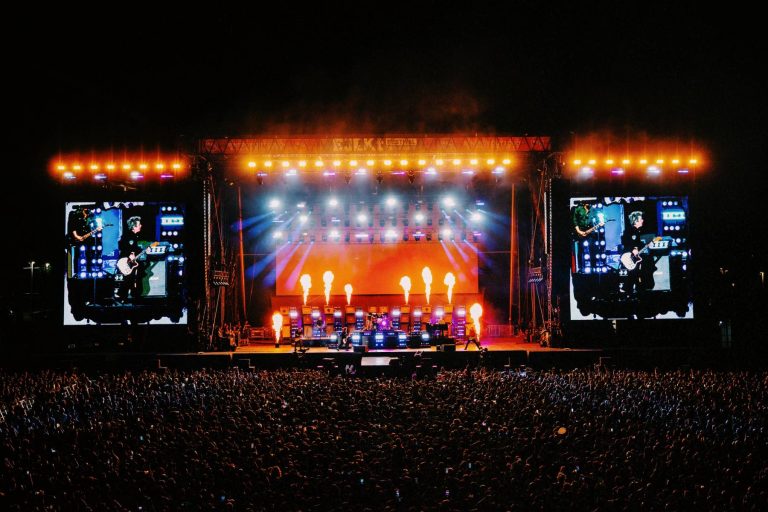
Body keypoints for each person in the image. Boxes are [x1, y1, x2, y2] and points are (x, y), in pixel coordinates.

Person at [620, 211, 655, 293]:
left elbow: (638, 245)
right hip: (629, 257)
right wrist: (633, 249)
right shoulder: (629, 231)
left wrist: (647, 245)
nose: (642, 220)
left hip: (635, 258)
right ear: (636, 221)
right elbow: (625, 241)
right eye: (641, 219)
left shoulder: (639, 232)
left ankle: (630, 289)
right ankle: (628, 290)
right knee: (634, 273)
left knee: (634, 274)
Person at [117, 216, 144, 303]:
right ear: (134, 226)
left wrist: (142, 250)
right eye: (139, 224)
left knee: (130, 279)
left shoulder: (134, 236)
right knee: (129, 279)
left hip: (129, 262)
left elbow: (134, 249)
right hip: (125, 262)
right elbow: (123, 246)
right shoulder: (129, 236)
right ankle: (123, 296)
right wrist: (130, 254)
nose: (141, 226)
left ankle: (125, 296)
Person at [572, 202, 604, 273]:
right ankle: (580, 268)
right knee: (580, 251)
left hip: (590, 233)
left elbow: (598, 221)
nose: (589, 204)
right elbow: (575, 221)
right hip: (580, 232)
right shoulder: (578, 209)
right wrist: (579, 231)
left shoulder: (594, 210)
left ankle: (593, 268)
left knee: (593, 249)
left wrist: (600, 224)